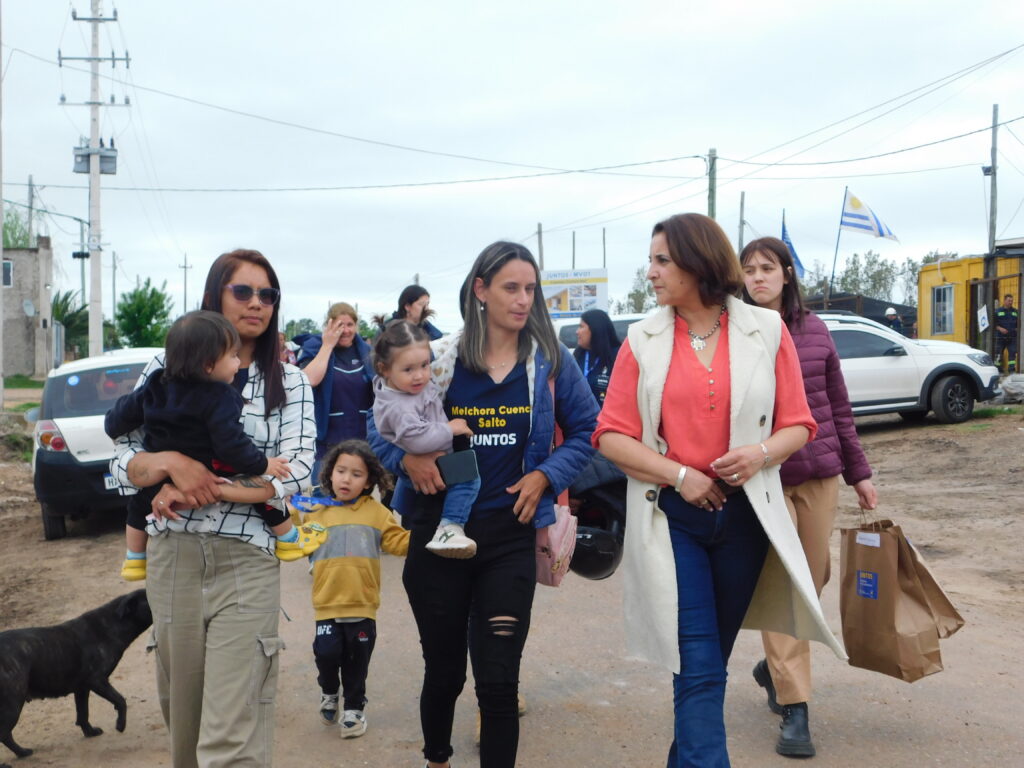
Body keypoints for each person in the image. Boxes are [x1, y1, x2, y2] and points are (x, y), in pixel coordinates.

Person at [593, 213, 845, 768]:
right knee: (700, 667)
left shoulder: (766, 330)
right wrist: (681, 475)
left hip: (746, 522)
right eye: (652, 259)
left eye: (662, 260)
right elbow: (610, 435)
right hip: (672, 521)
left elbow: (800, 423)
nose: (651, 271)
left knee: (705, 665)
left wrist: (758, 454)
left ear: (698, 262)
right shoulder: (642, 338)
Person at [371, 241, 597, 768]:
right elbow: (376, 426)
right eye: (510, 288)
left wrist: (545, 475)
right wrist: (407, 462)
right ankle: (438, 760)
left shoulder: (549, 361)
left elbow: (588, 430)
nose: (523, 300)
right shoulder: (441, 358)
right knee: (445, 673)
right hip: (435, 536)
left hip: (508, 539)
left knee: (498, 683)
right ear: (481, 290)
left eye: (530, 289)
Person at [110, 249, 316, 768]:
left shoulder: (289, 381)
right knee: (185, 727)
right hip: (173, 558)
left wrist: (208, 485)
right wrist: (171, 462)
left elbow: (297, 473)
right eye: (242, 291)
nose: (256, 304)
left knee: (230, 734)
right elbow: (120, 462)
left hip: (245, 559)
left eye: (267, 294)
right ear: (214, 296)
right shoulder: (164, 369)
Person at [741, 236, 878, 758]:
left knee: (814, 575)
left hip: (819, 474)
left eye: (767, 268)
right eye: (749, 269)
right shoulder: (737, 334)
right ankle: (795, 707)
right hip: (766, 481)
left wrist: (858, 474)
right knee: (785, 584)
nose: (758, 277)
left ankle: (772, 665)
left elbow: (839, 408)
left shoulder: (815, 330)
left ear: (787, 274)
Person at [105, 310, 323, 581]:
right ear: (208, 364)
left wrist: (117, 427)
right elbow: (231, 444)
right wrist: (264, 463)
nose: (237, 361)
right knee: (264, 496)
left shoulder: (155, 384)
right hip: (210, 464)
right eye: (233, 355)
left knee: (138, 506)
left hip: (161, 477)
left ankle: (135, 559)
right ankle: (290, 538)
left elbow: (116, 422)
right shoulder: (221, 395)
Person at [290, 439, 410, 740]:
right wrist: (289, 510)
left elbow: (397, 542)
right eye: (341, 471)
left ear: (369, 480)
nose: (347, 479)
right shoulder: (317, 511)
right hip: (327, 603)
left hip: (362, 603)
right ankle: (329, 691)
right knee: (327, 655)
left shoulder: (377, 513)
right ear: (330, 473)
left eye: (356, 474)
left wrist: (425, 535)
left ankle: (354, 709)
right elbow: (296, 540)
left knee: (357, 660)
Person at [372, 320, 480, 558]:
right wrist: (451, 429)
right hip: (427, 463)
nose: (420, 375)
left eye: (424, 365)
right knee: (468, 480)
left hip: (431, 461)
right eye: (408, 369)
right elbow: (416, 440)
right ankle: (449, 528)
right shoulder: (399, 405)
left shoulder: (402, 389)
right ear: (384, 369)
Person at [297, 302, 375, 480]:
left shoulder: (367, 352)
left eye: (350, 325)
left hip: (361, 439)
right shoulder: (315, 346)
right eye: (340, 325)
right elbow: (308, 380)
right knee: (322, 496)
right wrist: (328, 345)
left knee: (356, 499)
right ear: (329, 325)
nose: (345, 330)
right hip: (326, 442)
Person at [573, 308, 621, 406]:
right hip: (580, 418)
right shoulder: (578, 355)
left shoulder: (617, 356)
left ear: (595, 329)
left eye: (581, 327)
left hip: (606, 417)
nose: (577, 332)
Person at [380, 284, 444, 340]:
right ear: (407, 306)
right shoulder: (386, 331)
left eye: (427, 304)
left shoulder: (433, 334)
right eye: (422, 304)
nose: (426, 308)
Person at [994, 294, 1018, 373]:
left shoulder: (1015, 312)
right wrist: (1000, 328)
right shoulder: (998, 311)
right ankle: (998, 370)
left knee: (1012, 354)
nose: (1010, 302)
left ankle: (1011, 370)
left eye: (1011, 301)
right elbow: (993, 324)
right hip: (1000, 337)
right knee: (998, 354)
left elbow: (1019, 323)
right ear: (1004, 301)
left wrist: (1017, 329)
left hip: (1012, 337)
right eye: (1009, 300)